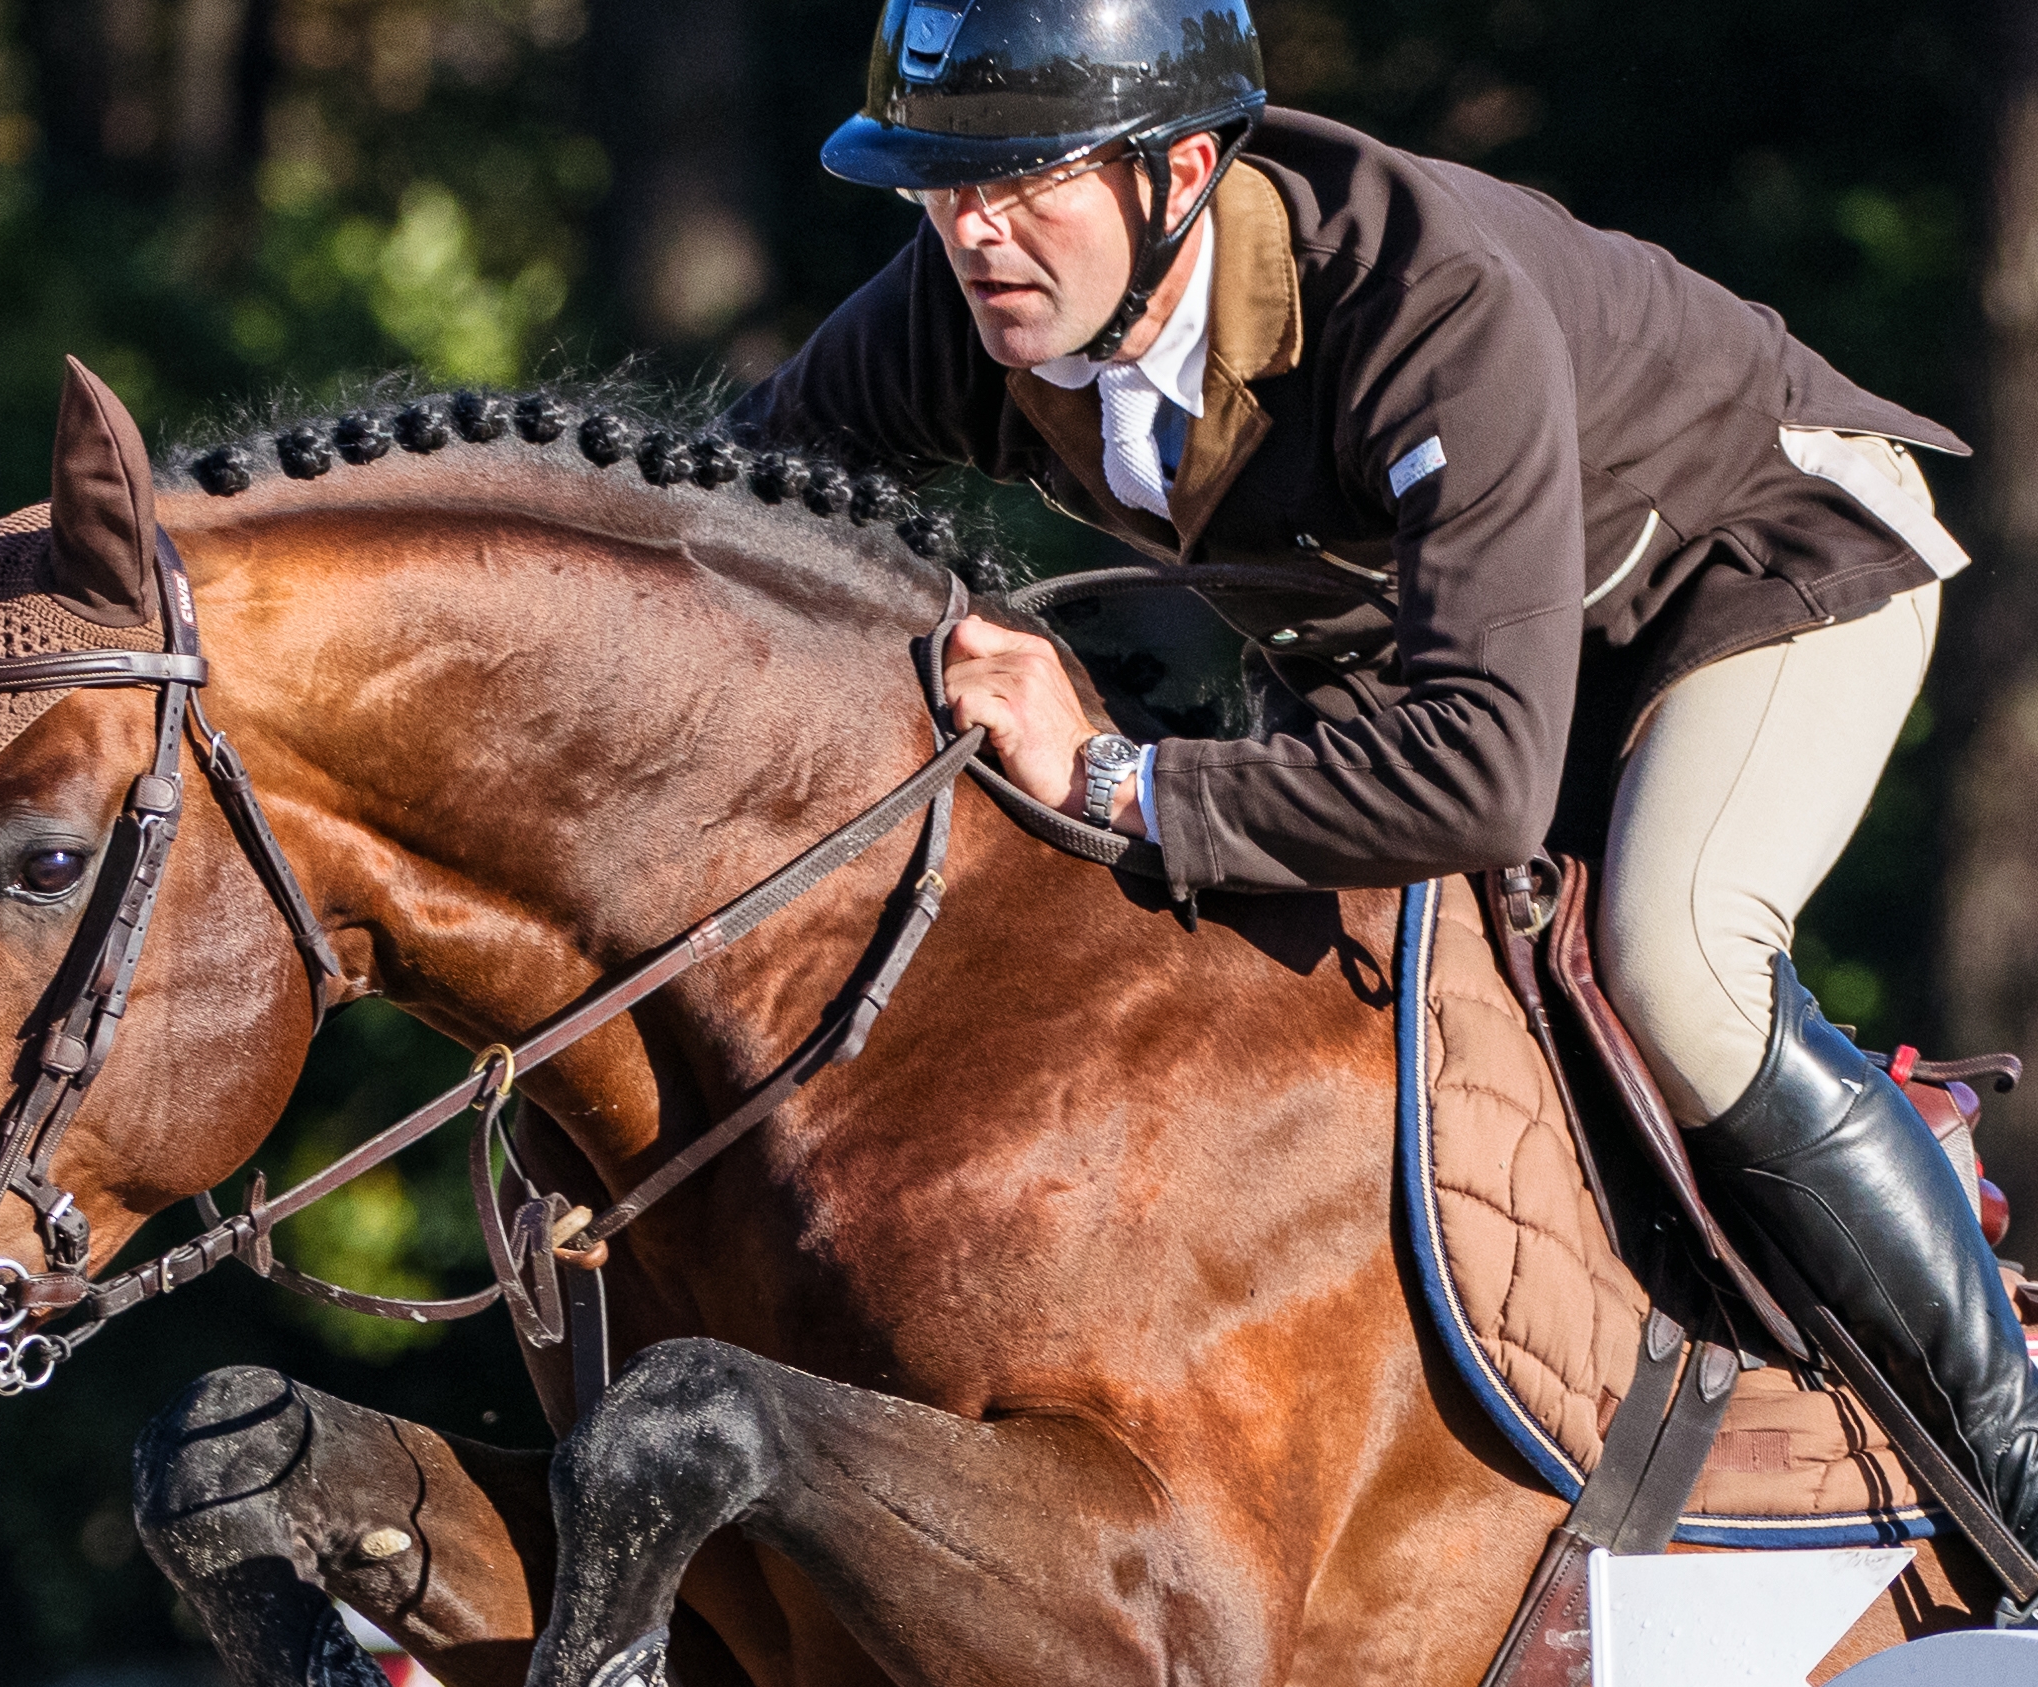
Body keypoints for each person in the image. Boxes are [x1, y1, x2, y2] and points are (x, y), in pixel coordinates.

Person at [725, 0, 2038, 1564]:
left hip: (1745, 566)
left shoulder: (1421, 299)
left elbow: (1481, 779)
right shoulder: (967, 307)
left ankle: (2012, 1452)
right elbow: (738, 534)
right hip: (1454, 644)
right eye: (938, 188)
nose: (972, 232)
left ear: (1179, 170)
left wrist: (1101, 769)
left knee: (1672, 962)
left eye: (1024, 186)